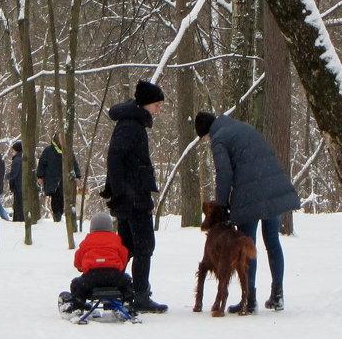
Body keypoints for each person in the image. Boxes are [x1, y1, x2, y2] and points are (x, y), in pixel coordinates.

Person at [194, 111, 301, 314]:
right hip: (273, 187)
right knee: (272, 241)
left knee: (246, 243)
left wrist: (221, 205)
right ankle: (277, 295)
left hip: (249, 194)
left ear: (206, 133)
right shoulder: (243, 128)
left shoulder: (218, 140)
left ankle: (249, 300)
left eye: (204, 138)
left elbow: (224, 174)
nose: (207, 141)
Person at [101, 80, 168, 314]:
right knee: (144, 245)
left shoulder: (132, 122)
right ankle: (139, 294)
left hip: (131, 194)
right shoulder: (131, 125)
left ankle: (114, 288)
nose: (159, 110)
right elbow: (115, 157)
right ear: (146, 104)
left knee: (127, 246)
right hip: (133, 198)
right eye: (157, 105)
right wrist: (119, 191)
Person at [59, 212, 133, 315]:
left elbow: (78, 260)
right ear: (110, 226)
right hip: (114, 276)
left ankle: (79, 305)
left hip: (91, 277)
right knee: (127, 282)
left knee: (77, 284)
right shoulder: (116, 239)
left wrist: (81, 267)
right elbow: (124, 255)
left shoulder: (88, 241)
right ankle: (126, 303)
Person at [36, 132, 81, 222]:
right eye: (60, 138)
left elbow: (74, 164)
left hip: (64, 178)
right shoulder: (49, 150)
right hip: (52, 178)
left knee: (62, 197)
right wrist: (40, 176)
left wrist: (78, 176)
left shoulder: (68, 150)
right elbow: (42, 164)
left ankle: (62, 214)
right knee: (55, 197)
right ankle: (57, 215)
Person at [8, 141, 24, 222]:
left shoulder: (17, 160)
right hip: (21, 185)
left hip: (18, 185)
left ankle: (18, 219)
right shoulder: (22, 158)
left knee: (18, 204)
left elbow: (14, 173)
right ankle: (19, 218)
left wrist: (7, 176)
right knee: (19, 204)